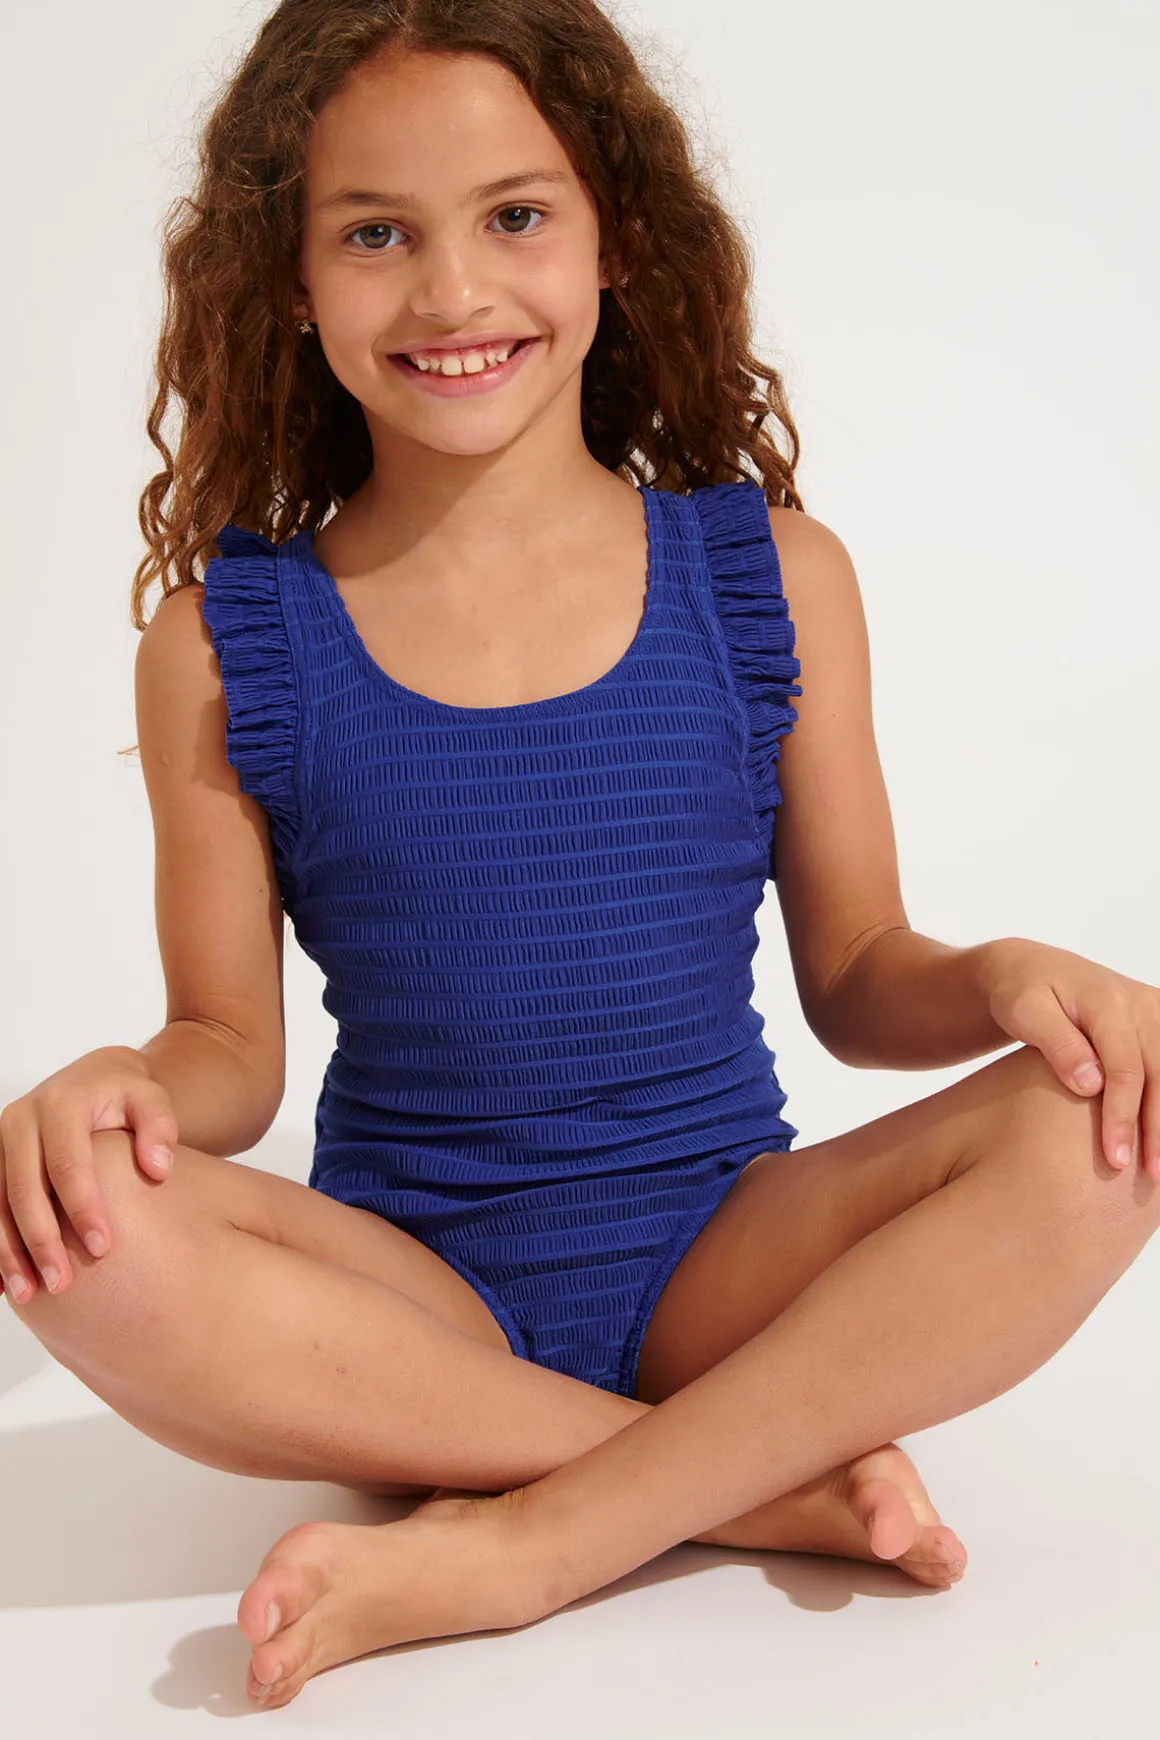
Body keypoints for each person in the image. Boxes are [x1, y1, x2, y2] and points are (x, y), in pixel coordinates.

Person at [2, 0, 1158, 1712]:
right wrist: (124, 1088)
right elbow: (230, 1051)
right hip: (408, 1312)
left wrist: (1001, 978)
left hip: (732, 1265)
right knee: (69, 1223)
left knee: (1109, 1113)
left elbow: (857, 977)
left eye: (516, 215)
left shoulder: (771, 577)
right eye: (375, 234)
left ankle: (529, 1539)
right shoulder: (230, 640)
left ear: (618, 237)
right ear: (290, 280)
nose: (452, 291)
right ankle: (739, 1483)